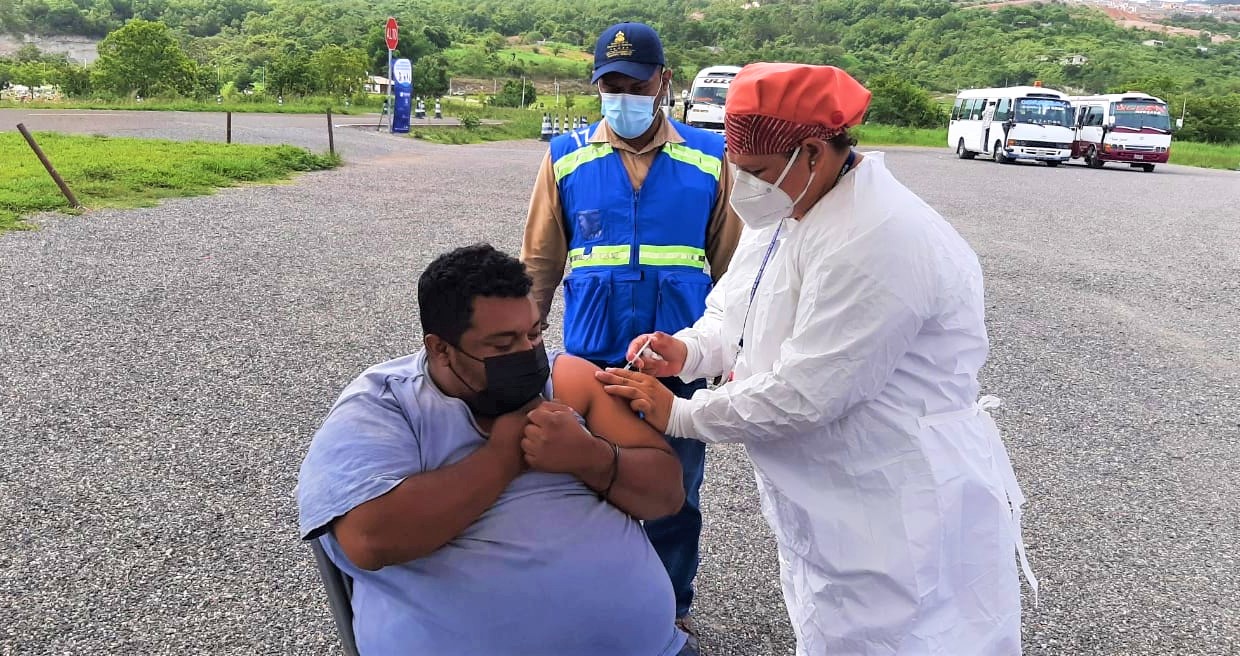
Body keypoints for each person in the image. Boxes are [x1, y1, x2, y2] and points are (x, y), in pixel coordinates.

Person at [596, 63, 1037, 655]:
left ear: (811, 151)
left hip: (894, 499)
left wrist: (679, 415)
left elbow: (808, 392)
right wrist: (686, 350)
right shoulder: (789, 205)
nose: (743, 185)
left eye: (754, 172)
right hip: (831, 491)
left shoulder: (878, 237)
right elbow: (739, 311)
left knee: (909, 636)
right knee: (831, 624)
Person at [297, 244, 694, 656]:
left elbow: (667, 494)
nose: (526, 353)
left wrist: (590, 457)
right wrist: (504, 456)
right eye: (502, 346)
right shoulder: (385, 406)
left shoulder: (567, 379)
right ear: (441, 349)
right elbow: (370, 538)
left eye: (534, 333)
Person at [520, 21, 742, 634]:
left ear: (663, 82)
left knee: (674, 491)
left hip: (678, 365)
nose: (623, 96)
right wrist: (526, 341)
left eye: (635, 84)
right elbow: (540, 263)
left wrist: (735, 349)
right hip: (591, 359)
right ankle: (595, 607)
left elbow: (732, 270)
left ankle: (669, 610)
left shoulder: (709, 158)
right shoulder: (565, 159)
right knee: (585, 486)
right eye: (610, 85)